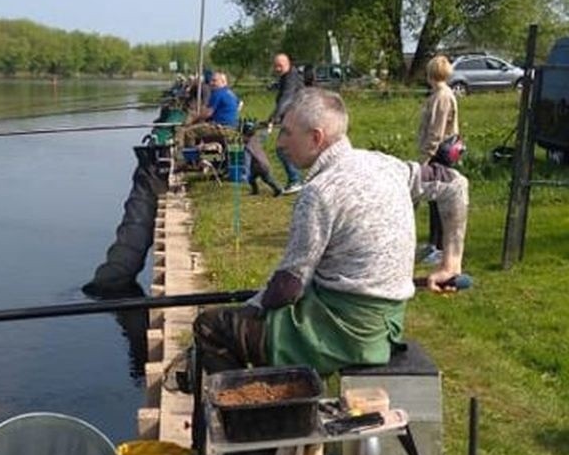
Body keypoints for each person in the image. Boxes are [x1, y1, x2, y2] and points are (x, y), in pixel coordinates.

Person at [193, 87, 469, 378]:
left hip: (345, 333)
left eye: (287, 133)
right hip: (389, 323)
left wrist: (251, 308)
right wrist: (451, 263)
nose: (280, 143)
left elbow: (289, 287)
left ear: (315, 138)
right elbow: (455, 184)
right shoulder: (387, 164)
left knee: (211, 327)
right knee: (259, 324)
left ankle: (247, 418)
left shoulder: (318, 194)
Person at [418, 54, 460, 265]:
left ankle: (442, 249)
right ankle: (433, 244)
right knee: (433, 200)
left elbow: (437, 132)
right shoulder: (437, 94)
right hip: (436, 153)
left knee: (440, 199)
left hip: (439, 155)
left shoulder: (442, 97)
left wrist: (425, 159)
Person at [268, 53, 305, 194]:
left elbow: (286, 99)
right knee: (289, 148)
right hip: (294, 117)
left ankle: (295, 180)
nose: (277, 68)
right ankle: (297, 178)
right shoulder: (286, 77)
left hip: (299, 117)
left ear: (288, 64)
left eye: (280, 65)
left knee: (282, 148)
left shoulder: (291, 78)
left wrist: (274, 116)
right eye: (276, 65)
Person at [180, 71, 241, 148]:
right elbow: (239, 104)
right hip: (232, 127)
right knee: (200, 128)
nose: (211, 83)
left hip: (222, 127)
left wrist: (193, 120)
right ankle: (203, 151)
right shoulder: (230, 93)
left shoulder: (218, 93)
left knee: (189, 132)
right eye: (211, 81)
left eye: (215, 81)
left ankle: (191, 157)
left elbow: (208, 113)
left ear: (223, 82)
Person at [242, 121, 284, 197]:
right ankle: (255, 191)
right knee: (252, 179)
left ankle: (279, 190)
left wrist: (245, 173)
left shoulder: (247, 148)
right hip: (263, 164)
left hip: (260, 167)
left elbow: (246, 161)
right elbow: (265, 135)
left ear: (245, 135)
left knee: (267, 179)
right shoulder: (257, 139)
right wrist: (269, 128)